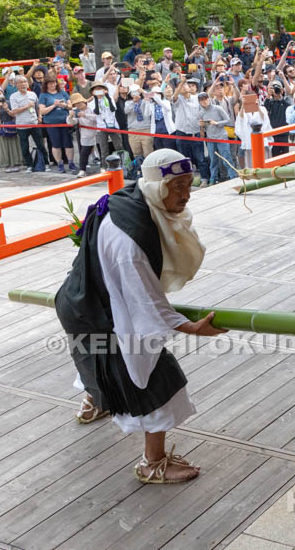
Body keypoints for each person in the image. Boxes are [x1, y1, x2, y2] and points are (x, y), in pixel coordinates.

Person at [55, 148, 224, 483]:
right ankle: (152, 463)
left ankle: (93, 404)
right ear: (157, 186)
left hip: (79, 300)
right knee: (155, 380)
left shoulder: (134, 196)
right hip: (99, 312)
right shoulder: (127, 239)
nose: (186, 195)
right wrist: (188, 326)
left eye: (189, 184)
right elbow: (143, 298)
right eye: (177, 187)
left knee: (96, 362)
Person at [171, 77, 210, 186]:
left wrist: (202, 130)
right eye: (181, 86)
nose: (184, 87)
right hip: (181, 133)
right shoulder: (178, 99)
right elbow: (174, 96)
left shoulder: (197, 98)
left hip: (196, 132)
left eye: (185, 85)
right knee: (183, 159)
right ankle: (186, 180)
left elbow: (202, 115)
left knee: (200, 158)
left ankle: (204, 179)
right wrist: (182, 81)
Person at [9, 75, 48, 172]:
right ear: (16, 85)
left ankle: (46, 163)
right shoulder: (13, 96)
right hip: (21, 125)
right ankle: (29, 165)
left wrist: (39, 116)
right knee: (25, 147)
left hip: (34, 123)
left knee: (41, 145)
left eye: (24, 82)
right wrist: (27, 107)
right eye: (20, 82)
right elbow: (14, 111)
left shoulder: (32, 94)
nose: (23, 84)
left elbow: (37, 107)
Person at [38, 77, 76, 173]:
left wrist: (65, 106)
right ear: (46, 85)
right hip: (51, 123)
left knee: (68, 143)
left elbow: (71, 106)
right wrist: (54, 105)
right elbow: (42, 111)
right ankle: (59, 163)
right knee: (56, 144)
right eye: (50, 83)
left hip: (65, 121)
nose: (52, 85)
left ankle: (71, 162)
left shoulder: (63, 93)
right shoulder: (43, 95)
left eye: (54, 83)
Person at [198, 92, 236, 184]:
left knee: (226, 158)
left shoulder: (217, 108)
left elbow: (228, 120)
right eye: (202, 100)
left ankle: (233, 176)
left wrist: (217, 123)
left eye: (206, 99)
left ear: (209, 99)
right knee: (213, 160)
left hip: (221, 137)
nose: (204, 101)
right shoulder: (201, 113)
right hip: (210, 139)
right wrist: (202, 126)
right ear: (199, 102)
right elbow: (203, 131)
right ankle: (213, 179)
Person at [66, 92, 99, 176]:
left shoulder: (92, 107)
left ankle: (103, 167)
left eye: (79, 102)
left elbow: (97, 118)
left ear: (84, 101)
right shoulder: (76, 111)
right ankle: (82, 170)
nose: (78, 105)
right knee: (84, 152)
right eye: (76, 104)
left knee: (102, 150)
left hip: (97, 132)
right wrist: (70, 117)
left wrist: (85, 115)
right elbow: (72, 122)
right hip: (85, 134)